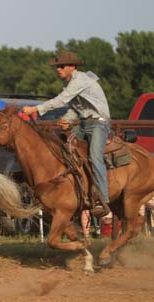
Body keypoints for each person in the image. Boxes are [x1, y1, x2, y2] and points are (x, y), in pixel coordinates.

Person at [22, 50, 111, 218]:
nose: (58, 69)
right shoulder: (72, 83)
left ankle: (102, 198)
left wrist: (35, 109)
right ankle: (73, 190)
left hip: (99, 123)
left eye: (61, 66)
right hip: (85, 123)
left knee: (94, 157)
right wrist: (67, 119)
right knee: (63, 148)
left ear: (72, 67)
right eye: (57, 66)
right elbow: (75, 109)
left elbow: (61, 100)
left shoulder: (81, 80)